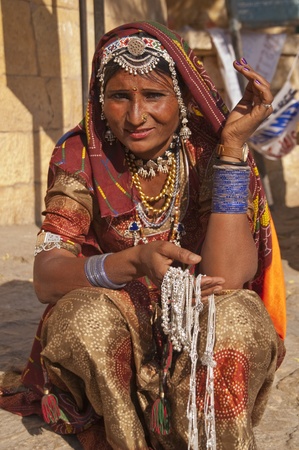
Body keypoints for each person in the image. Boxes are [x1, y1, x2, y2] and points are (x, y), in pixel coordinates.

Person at [0, 21, 286, 450]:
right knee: (80, 318)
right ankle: (127, 438)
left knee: (240, 316)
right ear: (101, 98)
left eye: (153, 95)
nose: (135, 117)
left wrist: (231, 149)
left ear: (183, 98)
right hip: (120, 328)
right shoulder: (80, 154)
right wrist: (133, 263)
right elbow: (46, 277)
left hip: (198, 319)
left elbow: (228, 278)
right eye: (119, 96)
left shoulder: (209, 151)